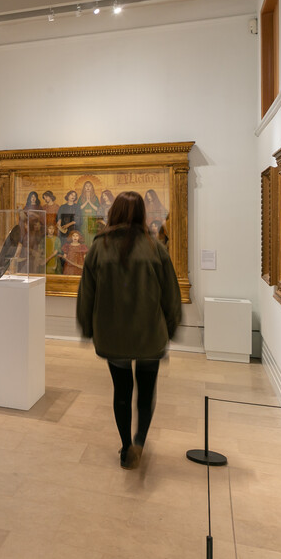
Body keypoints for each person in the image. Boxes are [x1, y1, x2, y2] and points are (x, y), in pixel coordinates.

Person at [76, 191, 181, 470]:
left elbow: (86, 292)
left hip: (114, 335)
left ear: (115, 213)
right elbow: (171, 293)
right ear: (141, 215)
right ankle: (139, 443)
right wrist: (170, 327)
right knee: (146, 393)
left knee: (121, 391)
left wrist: (87, 327)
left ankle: (125, 448)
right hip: (149, 335)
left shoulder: (99, 247)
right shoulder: (155, 248)